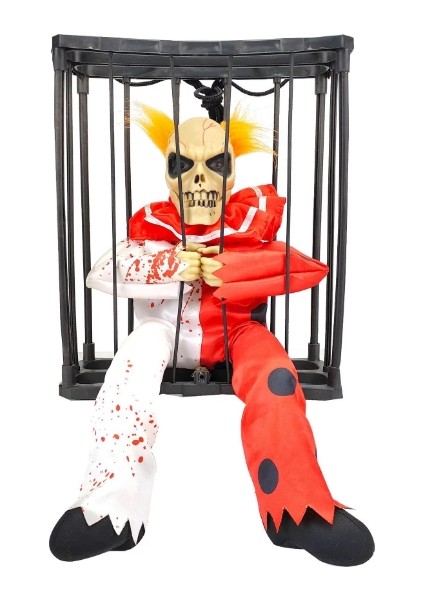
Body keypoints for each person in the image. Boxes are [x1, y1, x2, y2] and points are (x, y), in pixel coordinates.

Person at [49, 106, 374, 566]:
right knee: (128, 372)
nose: (199, 179)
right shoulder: (153, 226)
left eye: (216, 164)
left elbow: (300, 266)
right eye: (182, 165)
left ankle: (296, 509)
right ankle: (109, 511)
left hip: (237, 331)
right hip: (161, 330)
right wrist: (169, 266)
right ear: (167, 172)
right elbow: (104, 270)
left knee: (276, 376)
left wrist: (234, 268)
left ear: (232, 172)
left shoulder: (248, 224)